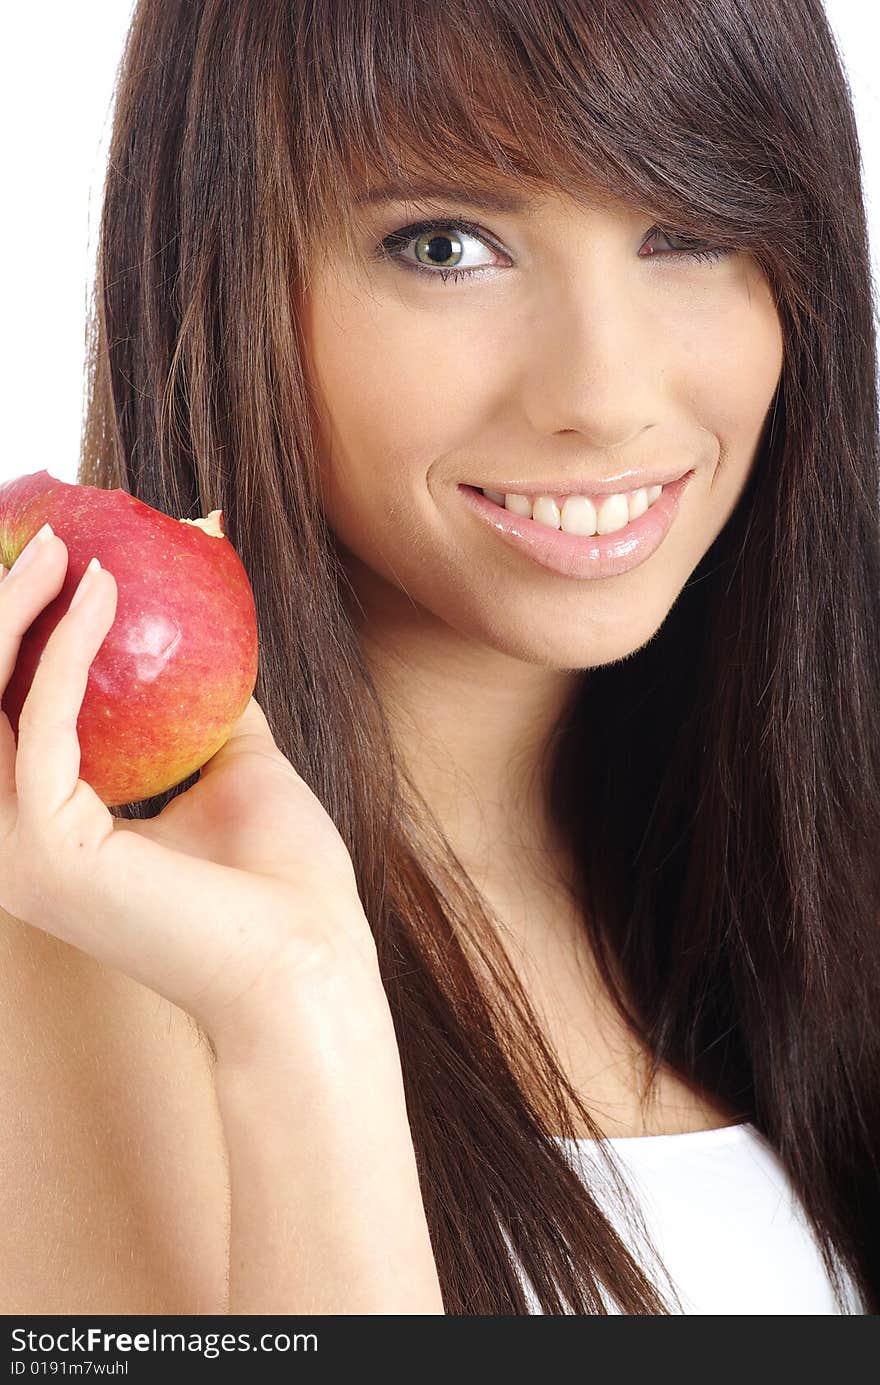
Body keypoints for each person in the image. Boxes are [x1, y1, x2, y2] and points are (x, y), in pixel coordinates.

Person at [0, 0, 877, 1315]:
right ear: (224, 268)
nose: (602, 390)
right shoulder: (74, 938)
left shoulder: (817, 877)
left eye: (687, 229)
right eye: (447, 243)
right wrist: (296, 1013)